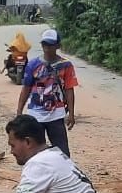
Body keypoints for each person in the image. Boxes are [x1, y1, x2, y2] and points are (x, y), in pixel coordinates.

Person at [16, 28, 78, 157]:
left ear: (57, 46)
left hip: (56, 115)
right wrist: (19, 111)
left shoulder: (66, 65)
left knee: (62, 152)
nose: (47, 48)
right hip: (35, 115)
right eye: (44, 44)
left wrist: (71, 114)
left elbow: (69, 89)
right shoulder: (32, 64)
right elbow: (26, 88)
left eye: (50, 45)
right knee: (34, 151)